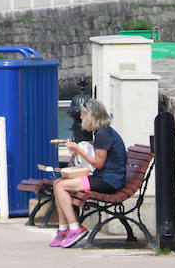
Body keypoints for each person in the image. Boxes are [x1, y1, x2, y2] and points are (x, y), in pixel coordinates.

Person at [49, 98, 128, 248]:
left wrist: (79, 150)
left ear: (91, 116)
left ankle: (75, 228)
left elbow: (99, 163)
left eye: (83, 114)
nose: (80, 117)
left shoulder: (103, 134)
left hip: (109, 182)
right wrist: (76, 151)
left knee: (61, 187)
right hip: (103, 177)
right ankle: (63, 229)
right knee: (57, 183)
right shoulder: (101, 132)